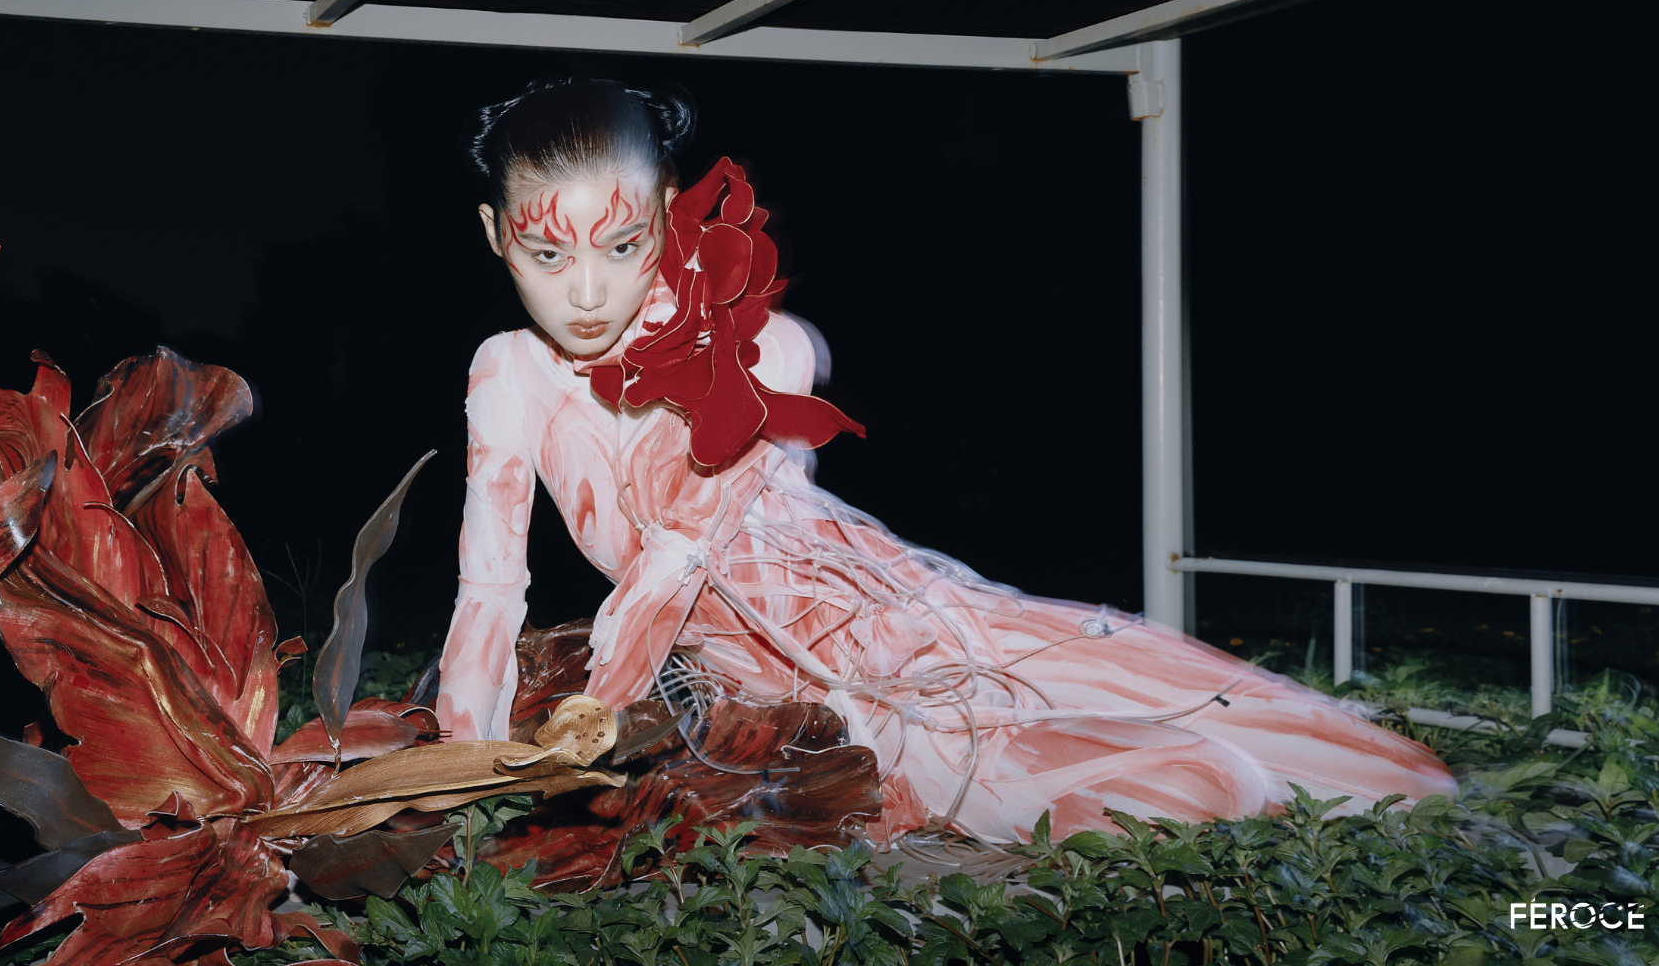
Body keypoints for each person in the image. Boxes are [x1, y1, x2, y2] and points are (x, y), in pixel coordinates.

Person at [435, 78, 1453, 846]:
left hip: (903, 633)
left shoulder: (756, 349)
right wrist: (451, 771)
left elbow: (672, 565)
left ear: (666, 214)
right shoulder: (507, 373)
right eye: (548, 254)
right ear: (492, 236)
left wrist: (592, 713)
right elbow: (490, 589)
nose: (586, 294)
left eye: (621, 245)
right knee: (1211, 783)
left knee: (1368, 770)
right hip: (808, 703)